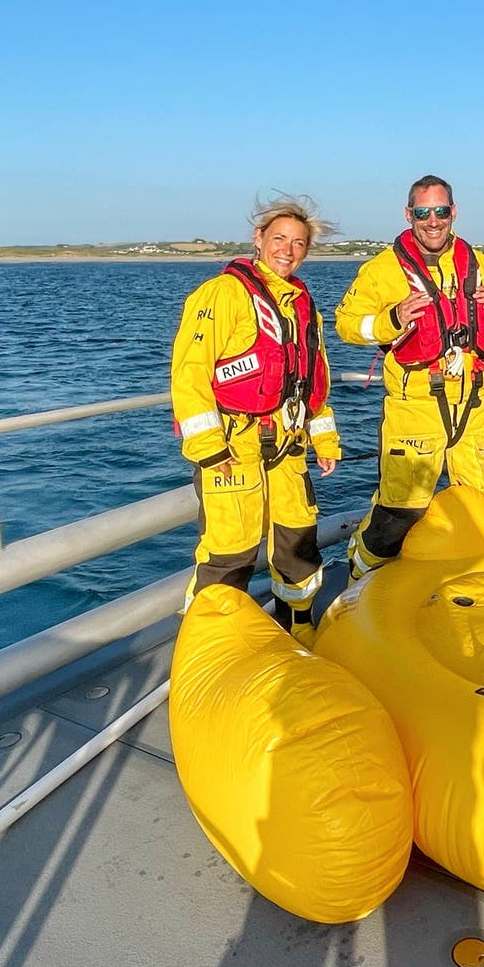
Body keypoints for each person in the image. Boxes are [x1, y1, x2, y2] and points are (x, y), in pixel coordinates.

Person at [170, 195, 341, 645]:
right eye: (279, 238)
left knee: (297, 544)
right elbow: (190, 375)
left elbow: (312, 380)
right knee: (230, 553)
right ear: (258, 239)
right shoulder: (222, 295)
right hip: (233, 451)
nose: (287, 249)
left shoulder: (303, 305)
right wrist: (209, 449)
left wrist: (326, 440)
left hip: (288, 450)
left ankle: (298, 627)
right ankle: (210, 646)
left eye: (298, 243)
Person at [335, 174, 484, 581]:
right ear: (408, 214)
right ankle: (358, 578)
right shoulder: (381, 270)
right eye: (423, 212)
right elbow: (346, 325)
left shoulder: (477, 261)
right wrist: (391, 320)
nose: (433, 221)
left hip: (474, 409)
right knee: (400, 514)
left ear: (454, 212)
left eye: (441, 211)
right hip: (416, 410)